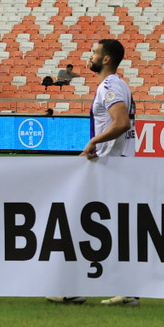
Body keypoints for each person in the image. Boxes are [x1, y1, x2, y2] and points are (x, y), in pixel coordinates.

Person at [48, 39, 138, 308]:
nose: (90, 56)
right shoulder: (119, 85)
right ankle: (127, 290)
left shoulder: (109, 86)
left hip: (109, 167)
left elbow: (121, 123)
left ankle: (73, 288)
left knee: (80, 223)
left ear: (107, 59)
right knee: (111, 229)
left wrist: (93, 142)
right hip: (119, 166)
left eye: (95, 52)